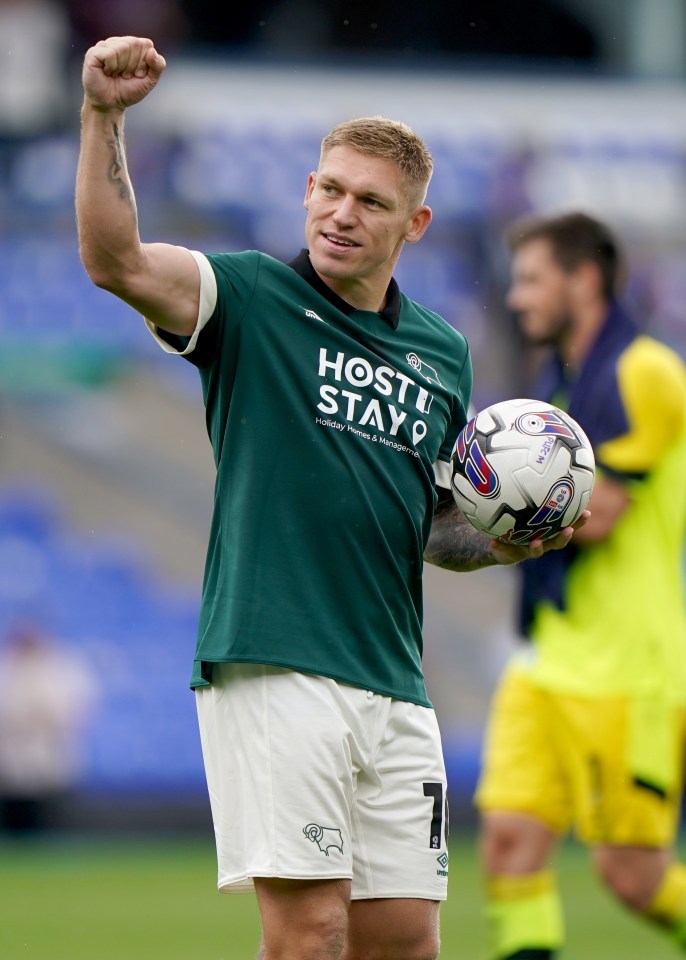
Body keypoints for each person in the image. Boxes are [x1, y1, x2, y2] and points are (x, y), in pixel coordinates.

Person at [75, 37, 585, 960]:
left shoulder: (442, 353)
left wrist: (502, 540)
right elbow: (115, 259)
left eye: (372, 203)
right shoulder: (251, 297)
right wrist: (104, 115)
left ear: (415, 224)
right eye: (331, 191)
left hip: (394, 682)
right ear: (308, 189)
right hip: (276, 661)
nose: (342, 215)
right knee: (309, 937)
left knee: (403, 944)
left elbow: (432, 527)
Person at [475, 211, 686, 959]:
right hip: (546, 658)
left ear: (583, 278)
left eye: (532, 279)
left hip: (625, 669)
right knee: (507, 846)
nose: (517, 297)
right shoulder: (558, 377)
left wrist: (480, 506)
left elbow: (603, 513)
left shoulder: (645, 371)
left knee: (631, 877)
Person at [0, 622, 99, 834]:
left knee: (49, 816)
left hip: (48, 752)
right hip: (12, 756)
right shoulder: (7, 668)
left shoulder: (60, 668)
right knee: (16, 816)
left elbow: (77, 708)